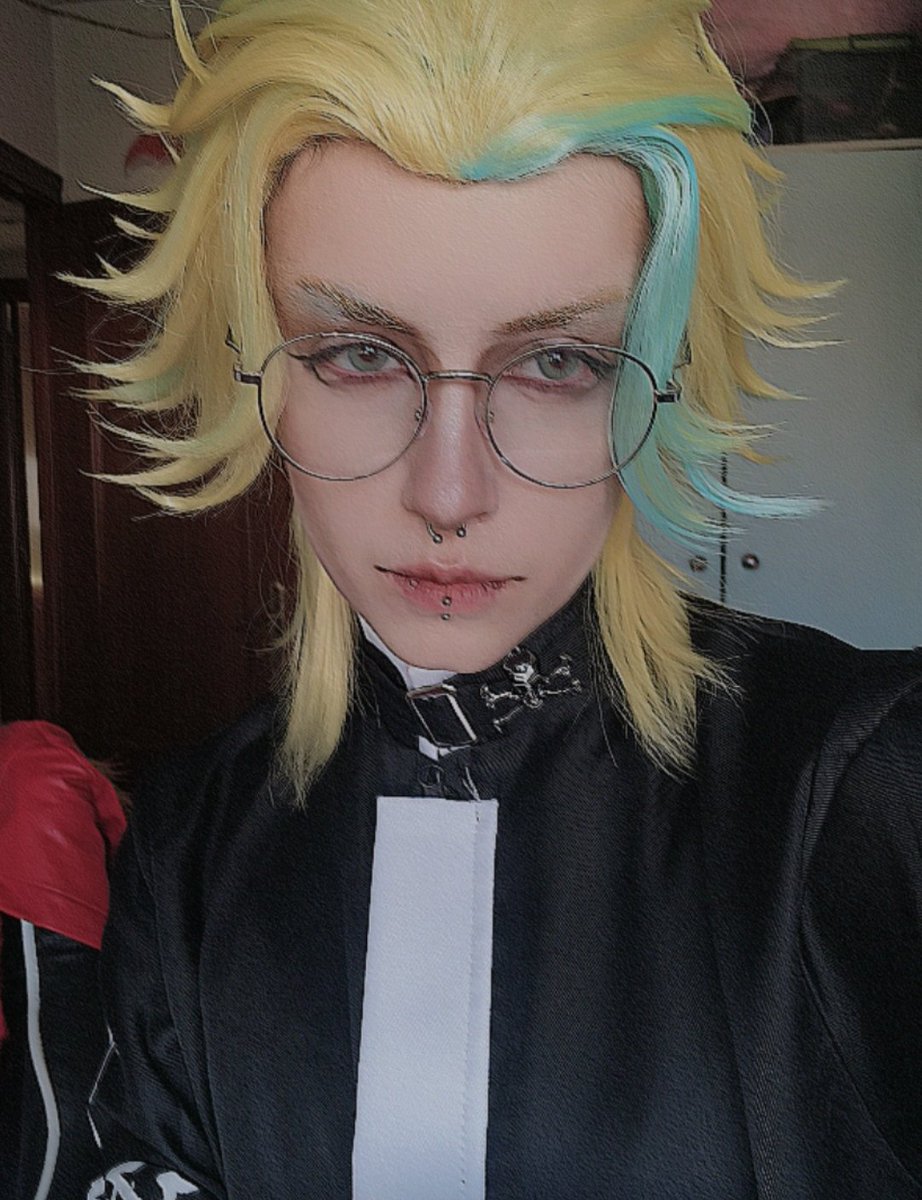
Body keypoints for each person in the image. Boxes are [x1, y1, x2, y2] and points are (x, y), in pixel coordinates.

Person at [78, 0, 921, 1196]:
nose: (448, 491)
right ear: (256, 366)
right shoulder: (186, 844)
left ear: (658, 381)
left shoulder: (861, 787)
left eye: (558, 363)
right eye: (359, 354)